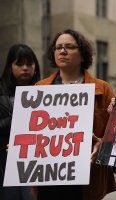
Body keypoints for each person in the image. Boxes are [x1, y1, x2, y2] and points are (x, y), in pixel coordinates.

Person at [34, 29, 116, 200]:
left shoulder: (103, 89)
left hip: (86, 180)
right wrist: (20, 147)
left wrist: (104, 143)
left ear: (83, 55)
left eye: (69, 47)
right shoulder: (39, 88)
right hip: (48, 178)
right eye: (58, 47)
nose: (62, 51)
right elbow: (32, 131)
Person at [0, 44, 41, 200]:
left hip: (36, 163)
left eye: (29, 64)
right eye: (19, 64)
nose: (25, 68)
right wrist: (17, 118)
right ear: (10, 67)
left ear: (35, 67)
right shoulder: (1, 91)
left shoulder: (46, 92)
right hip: (5, 163)